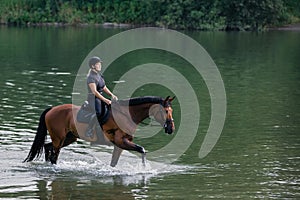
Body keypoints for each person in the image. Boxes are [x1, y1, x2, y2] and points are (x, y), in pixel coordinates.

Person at [85, 56, 117, 138]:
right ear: (92, 66)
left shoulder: (99, 75)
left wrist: (111, 95)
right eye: (98, 64)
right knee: (98, 112)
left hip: (99, 97)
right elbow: (94, 92)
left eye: (100, 64)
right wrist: (105, 100)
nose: (100, 66)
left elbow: (104, 87)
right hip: (93, 99)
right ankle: (89, 130)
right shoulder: (90, 77)